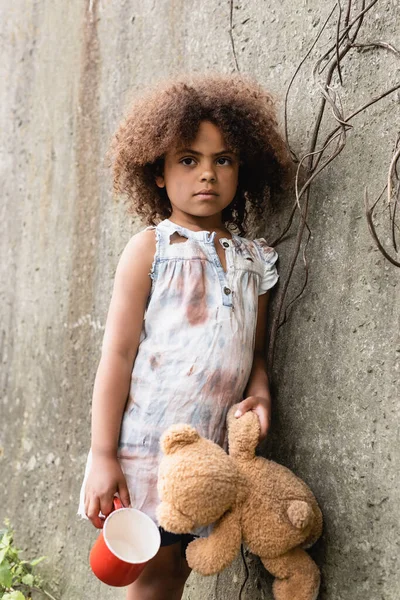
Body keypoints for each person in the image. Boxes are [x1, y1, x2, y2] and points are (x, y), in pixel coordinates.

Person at [77, 72, 292, 600]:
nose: (208, 175)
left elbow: (256, 352)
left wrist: (260, 393)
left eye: (223, 160)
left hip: (208, 451)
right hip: (147, 447)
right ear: (158, 172)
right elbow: (118, 354)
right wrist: (102, 454)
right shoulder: (152, 249)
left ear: (242, 169)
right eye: (189, 160)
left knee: (177, 572)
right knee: (145, 573)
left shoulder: (253, 261)